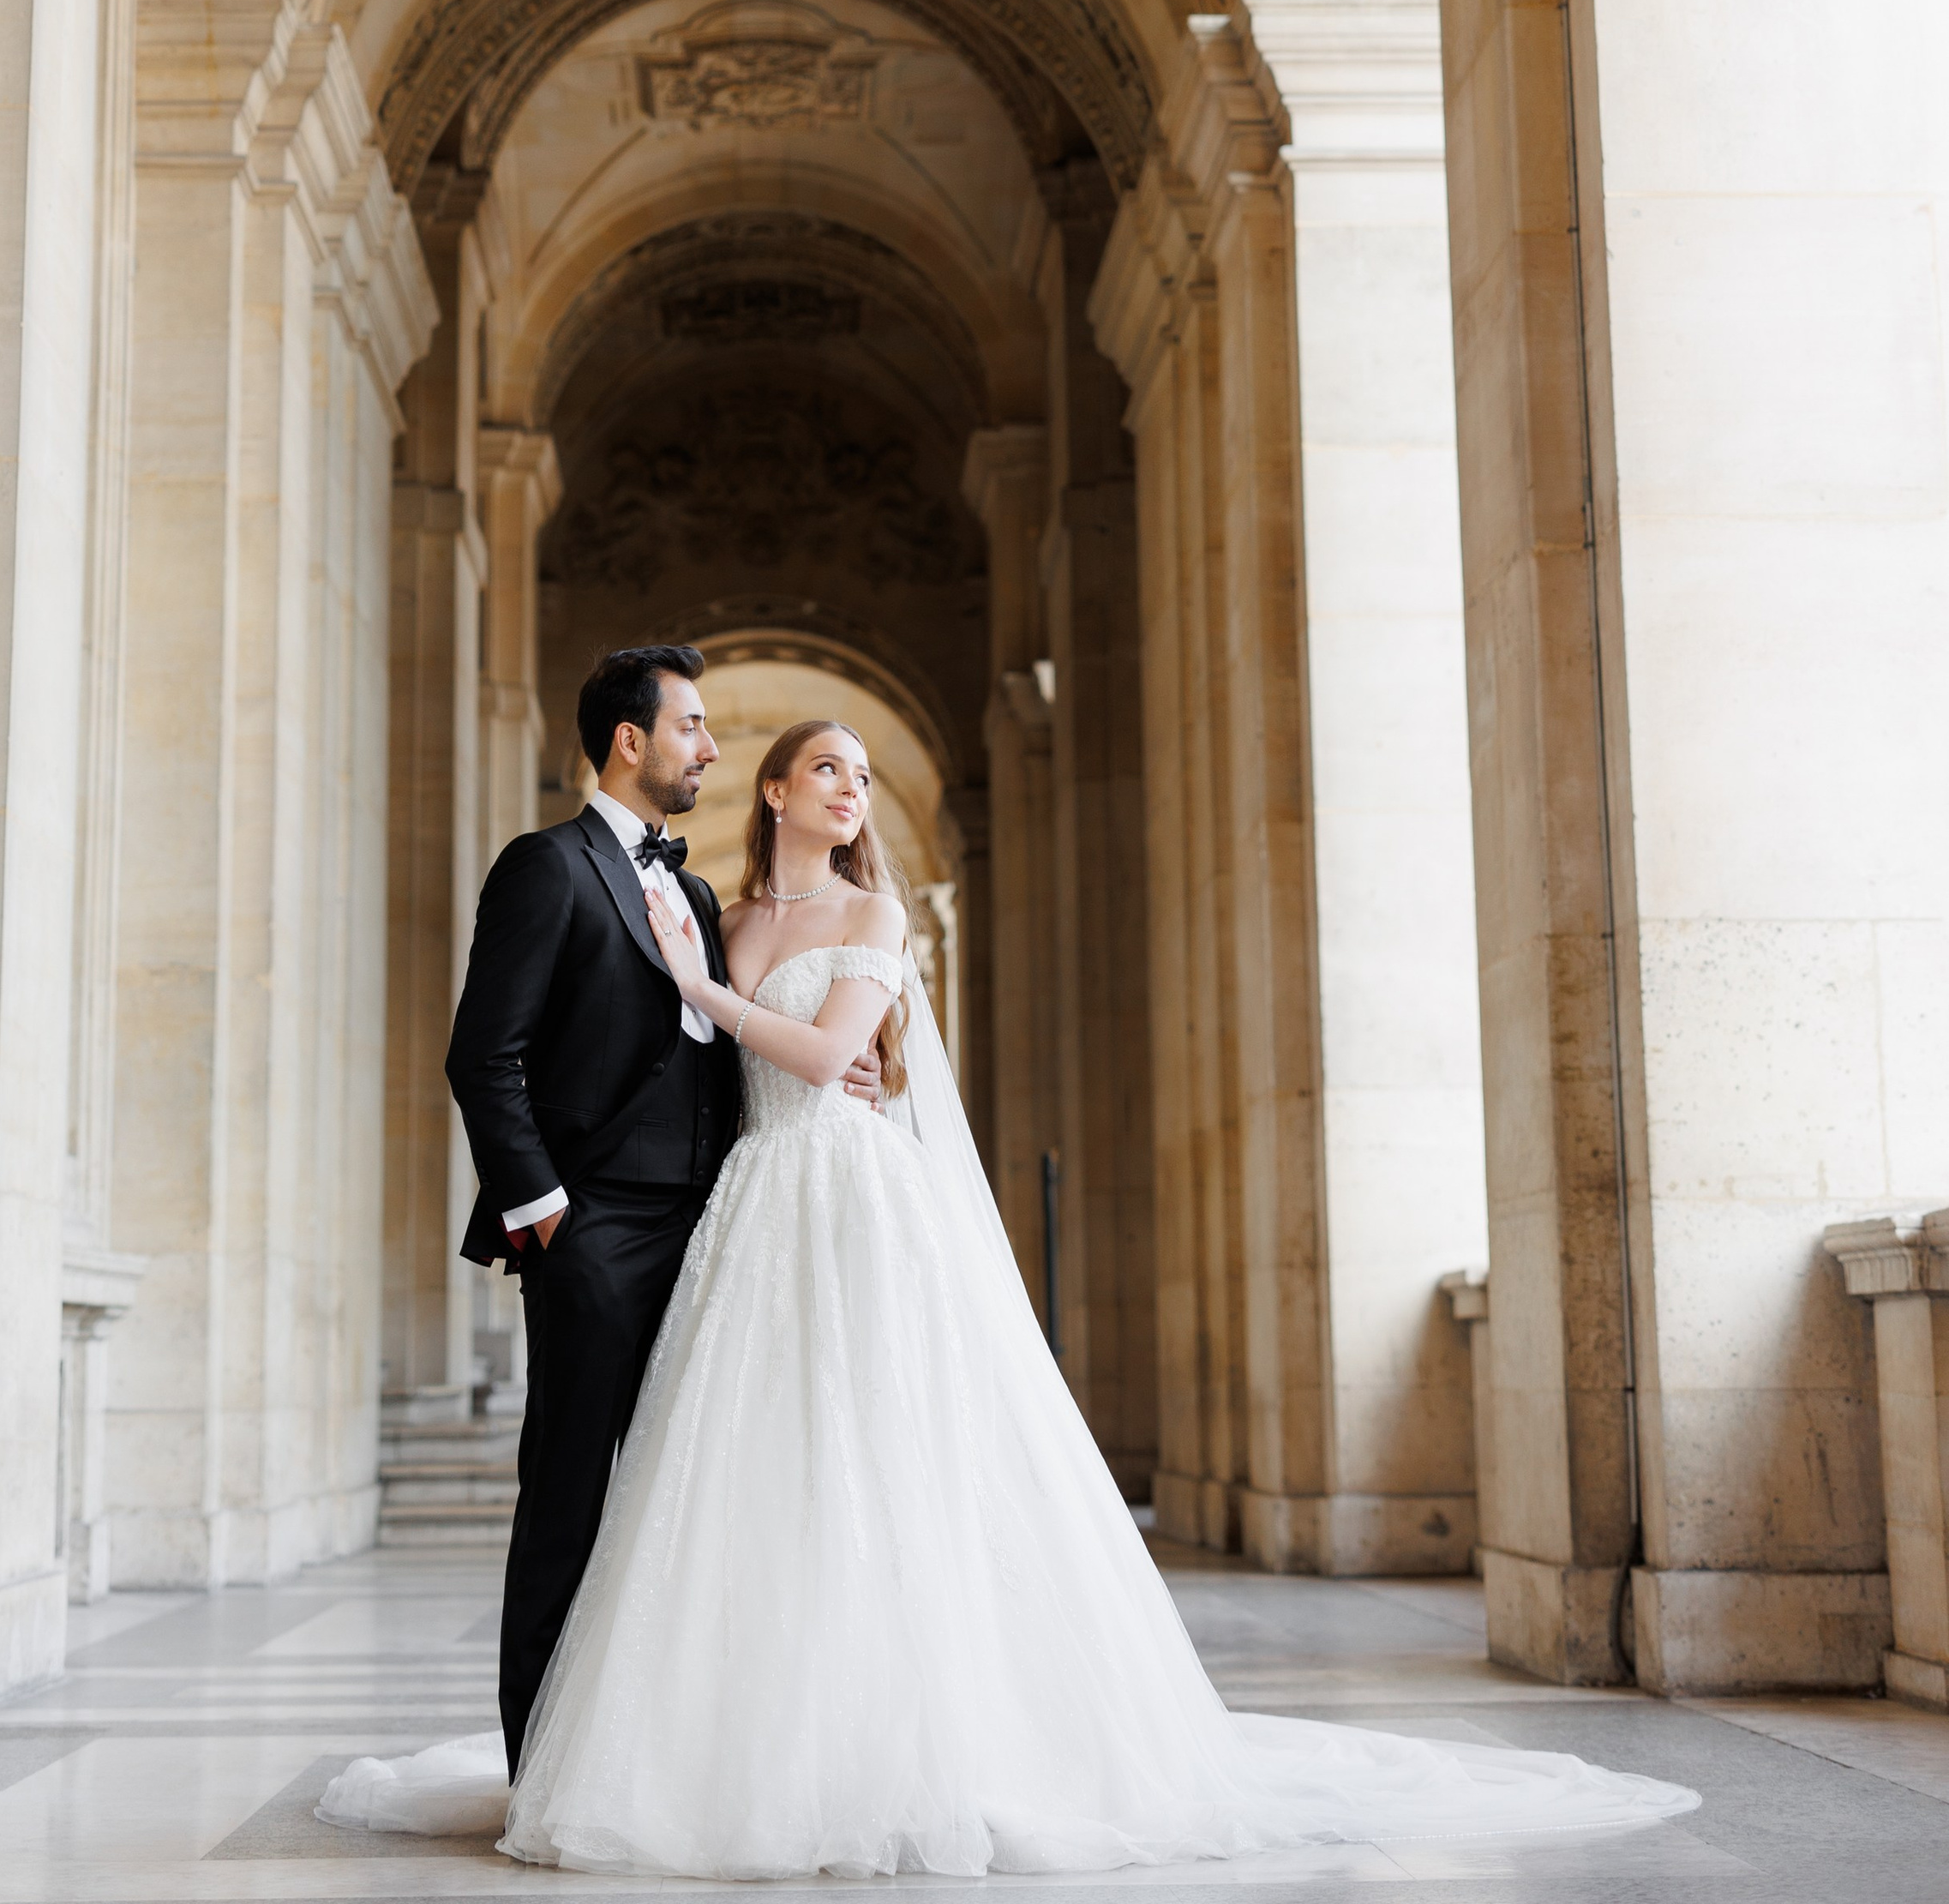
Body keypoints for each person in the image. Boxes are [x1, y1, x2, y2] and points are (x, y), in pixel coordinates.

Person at [326, 718, 1699, 1874]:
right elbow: (685, 1057)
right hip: (745, 1214)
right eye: (829, 770)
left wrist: (729, 1006)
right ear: (776, 789)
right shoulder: (718, 912)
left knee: (882, 1466)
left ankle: (910, 1745)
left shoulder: (872, 912)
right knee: (750, 1481)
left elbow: (826, 1054)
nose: (851, 790)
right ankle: (758, 1733)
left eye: (864, 774)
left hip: (848, 1205)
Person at [421, 645, 879, 1774]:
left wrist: (837, 1073)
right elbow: (486, 1057)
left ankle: (678, 1754)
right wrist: (547, 1218)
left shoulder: (693, 890)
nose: (710, 749)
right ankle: (542, 1770)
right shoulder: (546, 866)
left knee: (694, 1495)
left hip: (720, 1229)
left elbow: (728, 1043)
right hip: (595, 1230)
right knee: (571, 1499)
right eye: (692, 727)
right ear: (631, 740)